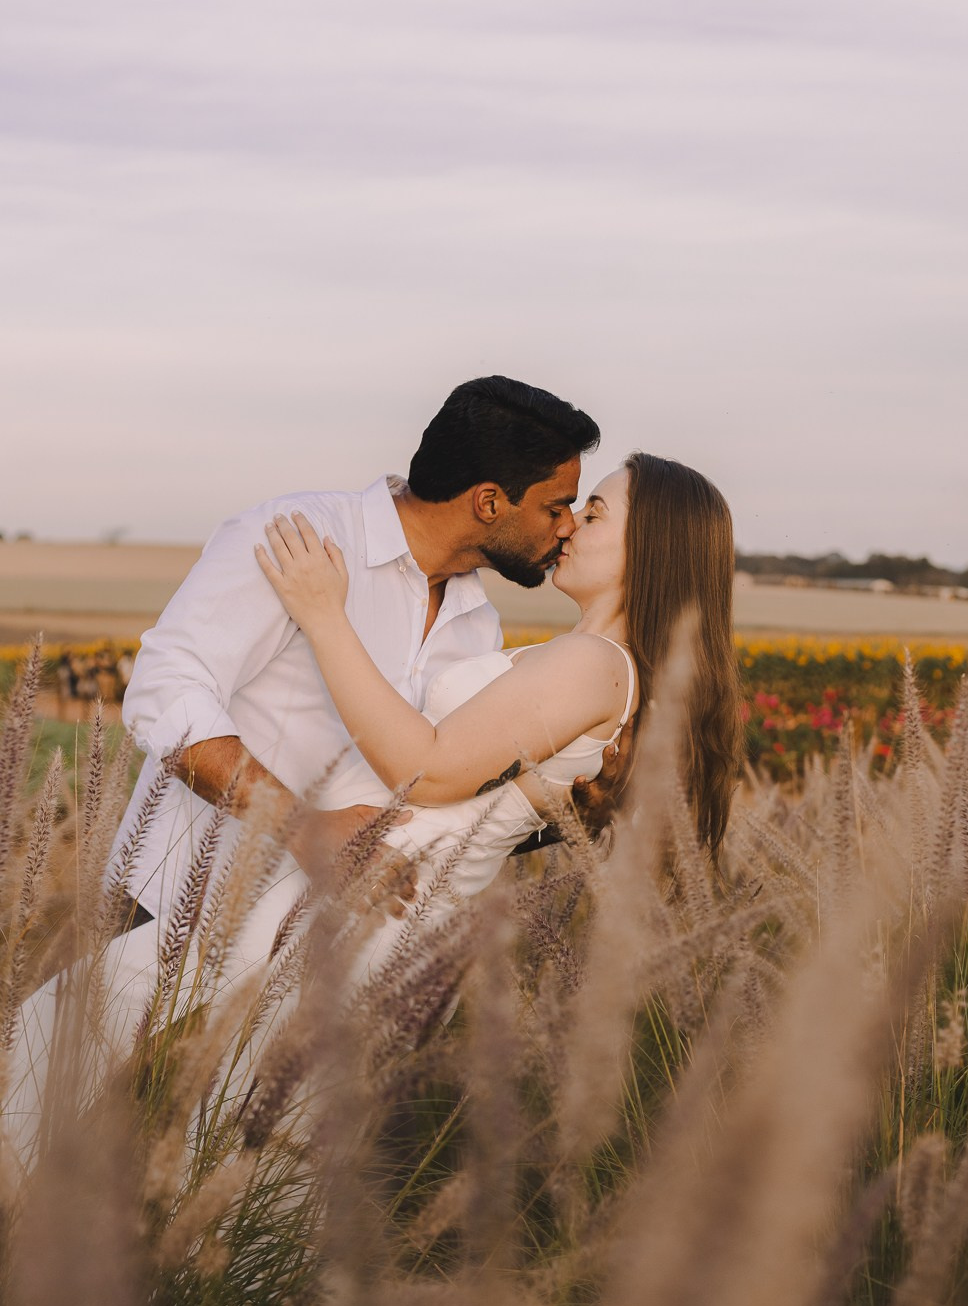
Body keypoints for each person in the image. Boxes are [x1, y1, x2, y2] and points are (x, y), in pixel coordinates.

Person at [4, 453, 742, 1170]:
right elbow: (488, 796)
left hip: (372, 899)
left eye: (595, 509)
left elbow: (426, 770)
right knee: (237, 1111)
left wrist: (324, 615)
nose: (571, 524)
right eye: (568, 505)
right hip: (380, 891)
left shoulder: (593, 665)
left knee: (129, 1056)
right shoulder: (586, 659)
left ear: (652, 546)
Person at [107, 375, 604, 928]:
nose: (567, 528)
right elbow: (164, 689)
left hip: (312, 949)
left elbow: (435, 803)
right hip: (171, 909)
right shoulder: (297, 539)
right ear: (489, 501)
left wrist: (562, 812)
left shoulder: (477, 624)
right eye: (556, 507)